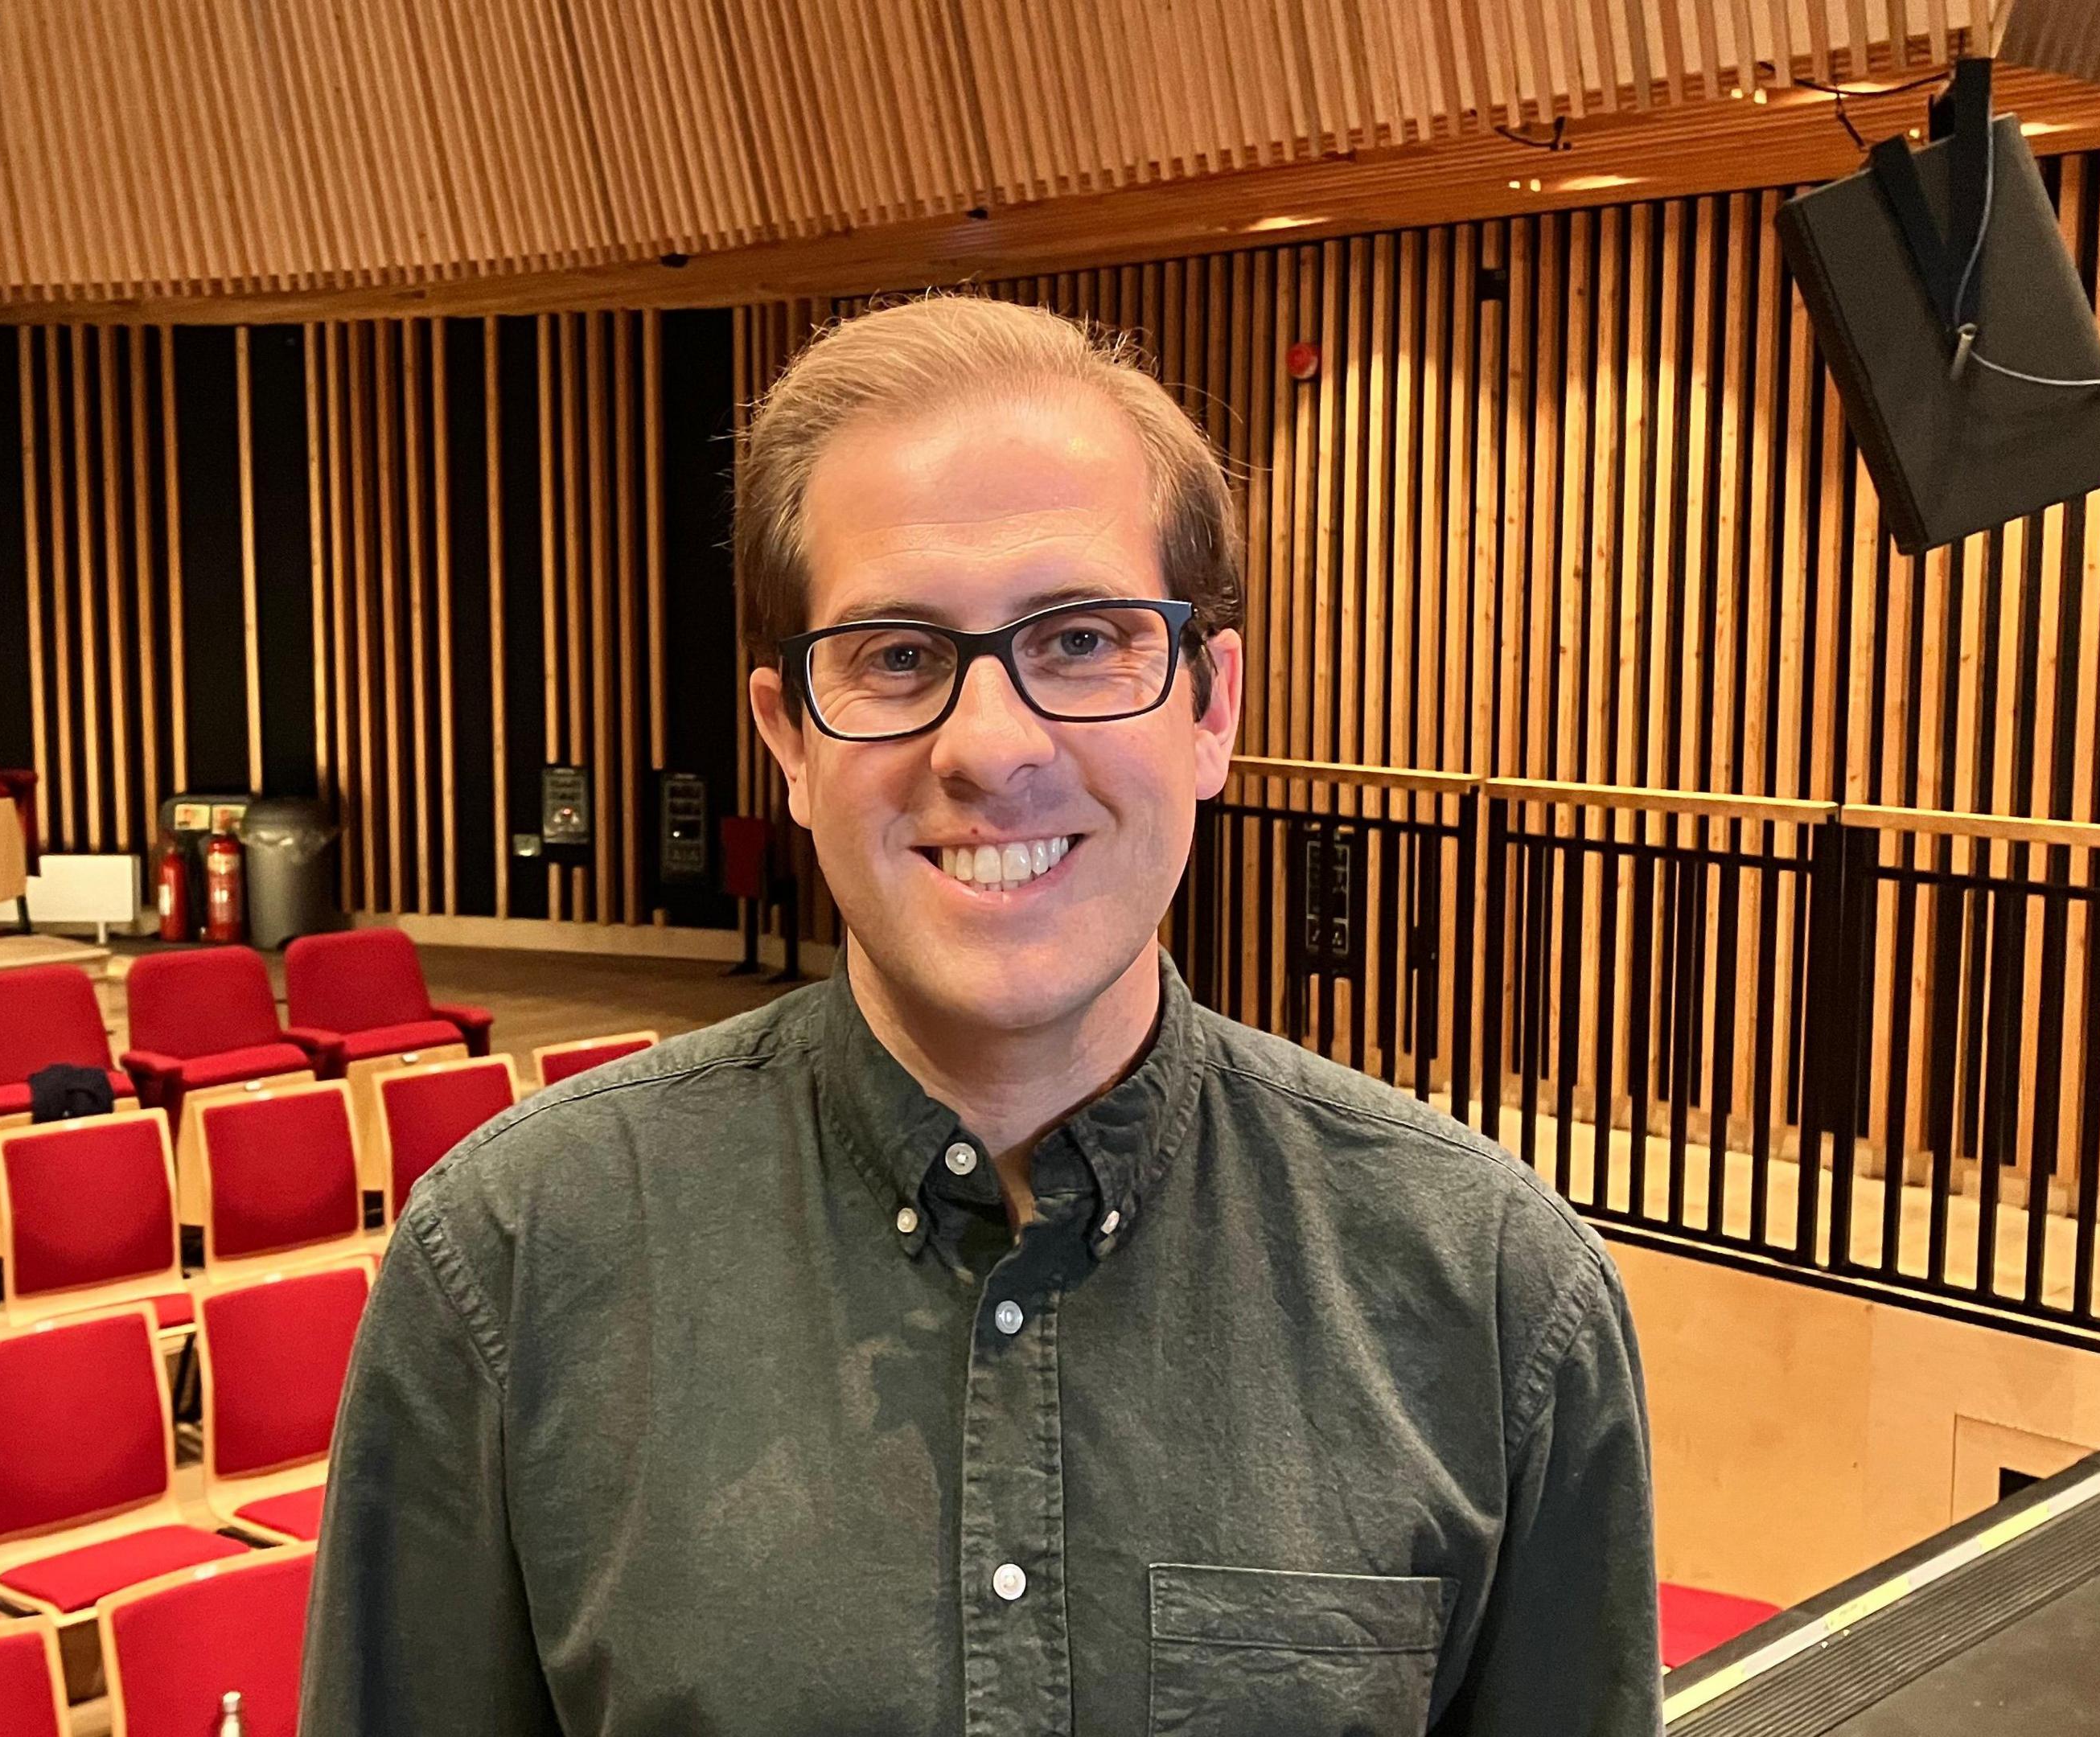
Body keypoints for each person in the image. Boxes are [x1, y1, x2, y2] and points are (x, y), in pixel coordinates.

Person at [299, 294, 1662, 1735]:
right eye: (897, 656)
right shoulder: (512, 1265)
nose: (989, 747)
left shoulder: (1495, 1296)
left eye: (1080, 640)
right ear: (788, 738)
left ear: (1211, 709)